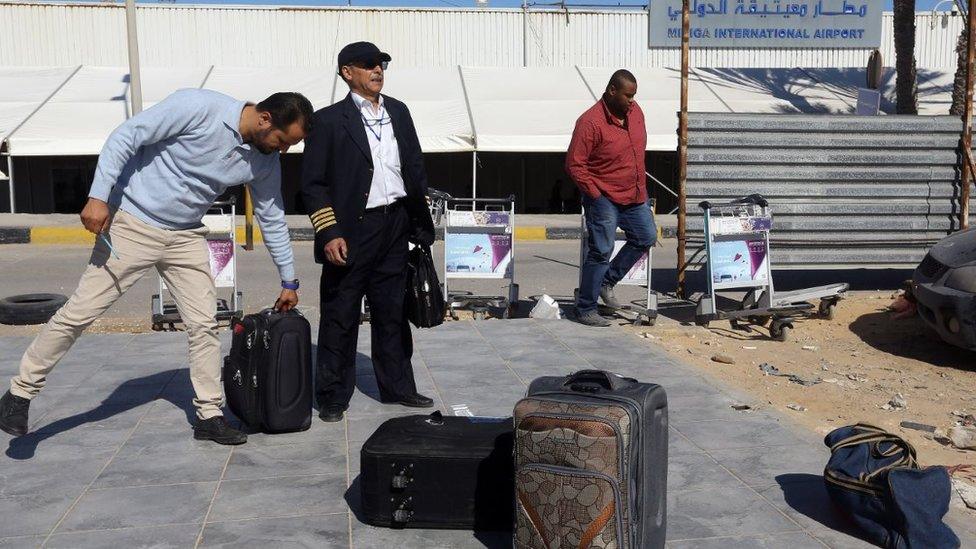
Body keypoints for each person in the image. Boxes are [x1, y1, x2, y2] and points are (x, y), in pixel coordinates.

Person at [0, 89, 313, 445]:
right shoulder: (199, 107)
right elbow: (127, 136)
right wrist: (98, 196)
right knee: (80, 313)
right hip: (133, 225)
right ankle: (19, 393)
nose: (282, 150)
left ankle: (209, 415)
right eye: (282, 141)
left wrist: (289, 278)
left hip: (186, 237)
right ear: (264, 119)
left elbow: (271, 217)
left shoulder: (265, 160)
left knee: (204, 323)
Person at [301, 42, 435, 423]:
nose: (378, 70)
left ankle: (398, 387)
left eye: (381, 64)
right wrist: (329, 233)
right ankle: (331, 395)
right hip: (351, 230)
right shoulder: (327, 121)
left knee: (392, 309)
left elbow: (414, 164)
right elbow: (312, 185)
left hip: (395, 224)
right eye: (368, 65)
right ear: (347, 72)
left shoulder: (399, 111)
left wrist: (416, 217)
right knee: (340, 313)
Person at [566, 69, 656, 327]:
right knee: (601, 250)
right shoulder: (590, 122)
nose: (632, 101)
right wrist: (595, 194)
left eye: (635, 95)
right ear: (612, 91)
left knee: (646, 237)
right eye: (628, 95)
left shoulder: (636, 113)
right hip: (603, 196)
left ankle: (607, 283)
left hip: (634, 194)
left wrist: (641, 187)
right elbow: (575, 165)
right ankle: (586, 308)